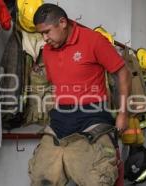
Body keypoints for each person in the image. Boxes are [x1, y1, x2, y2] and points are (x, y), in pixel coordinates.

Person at [28, 3, 131, 186]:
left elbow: (123, 72)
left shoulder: (94, 40)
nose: (45, 38)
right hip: (60, 118)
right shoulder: (48, 51)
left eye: (47, 31)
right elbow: (56, 83)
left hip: (91, 117)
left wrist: (123, 113)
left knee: (96, 179)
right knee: (40, 177)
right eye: (41, 34)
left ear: (62, 22)